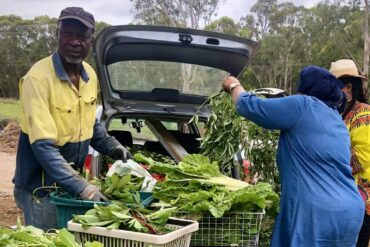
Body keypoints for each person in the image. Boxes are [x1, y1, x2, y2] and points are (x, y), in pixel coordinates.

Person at [13, 7, 131, 231]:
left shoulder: (90, 75)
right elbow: (44, 147)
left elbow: (90, 125)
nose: (74, 41)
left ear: (91, 40)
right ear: (57, 35)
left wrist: (114, 147)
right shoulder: (37, 79)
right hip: (41, 189)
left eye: (82, 36)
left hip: (68, 186)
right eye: (67, 34)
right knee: (46, 242)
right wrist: (84, 188)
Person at [222, 66, 364, 247]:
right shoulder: (336, 119)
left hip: (316, 212)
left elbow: (251, 106)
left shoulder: (303, 105)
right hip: (349, 212)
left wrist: (233, 85)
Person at [330, 59, 370, 247]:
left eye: (339, 86)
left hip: (363, 201)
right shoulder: (341, 114)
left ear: (348, 87)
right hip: (346, 198)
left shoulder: (363, 115)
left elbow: (361, 160)